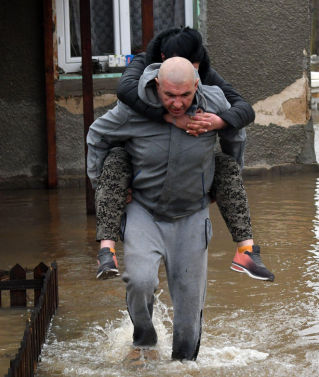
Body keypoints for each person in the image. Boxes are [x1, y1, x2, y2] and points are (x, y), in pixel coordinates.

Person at [87, 57, 242, 360]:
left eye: (185, 95)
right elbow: (97, 136)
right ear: (157, 85)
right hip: (144, 211)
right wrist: (106, 190)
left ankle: (184, 364)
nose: (177, 103)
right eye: (169, 95)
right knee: (140, 281)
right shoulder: (133, 109)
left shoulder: (214, 103)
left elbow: (236, 135)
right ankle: (144, 342)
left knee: (188, 311)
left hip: (192, 214)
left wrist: (222, 181)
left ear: (196, 85)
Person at [94, 27, 274, 282]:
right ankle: (106, 249)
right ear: (162, 64)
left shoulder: (208, 84)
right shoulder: (144, 67)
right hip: (141, 177)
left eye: (194, 69)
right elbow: (124, 91)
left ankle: (246, 250)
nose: (185, 74)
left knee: (226, 166)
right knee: (114, 162)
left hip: (191, 193)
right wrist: (169, 117)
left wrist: (218, 122)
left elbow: (243, 111)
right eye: (170, 92)